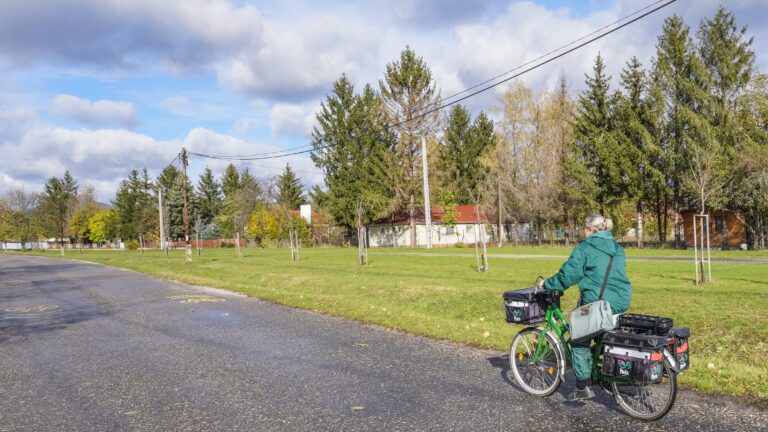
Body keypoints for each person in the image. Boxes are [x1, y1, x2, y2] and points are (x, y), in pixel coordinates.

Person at [537, 214, 632, 401]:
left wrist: (547, 284)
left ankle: (582, 387)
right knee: (600, 332)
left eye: (583, 228)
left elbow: (568, 275)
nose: (582, 231)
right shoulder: (617, 247)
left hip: (598, 302)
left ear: (590, 230)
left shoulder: (586, 247)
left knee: (579, 337)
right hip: (621, 299)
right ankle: (603, 372)